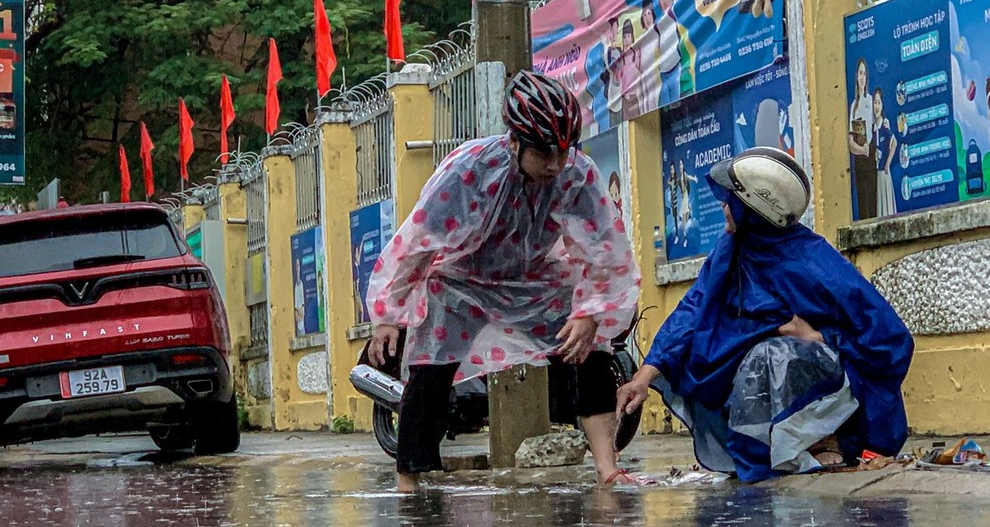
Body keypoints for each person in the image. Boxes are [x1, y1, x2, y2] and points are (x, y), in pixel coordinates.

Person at [367, 71, 642, 492]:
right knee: (431, 366)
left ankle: (608, 467)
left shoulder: (576, 175)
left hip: (534, 278)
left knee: (591, 347)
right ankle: (411, 477)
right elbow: (417, 242)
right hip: (461, 280)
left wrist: (590, 314)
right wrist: (388, 313)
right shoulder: (469, 170)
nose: (554, 164)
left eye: (562, 152)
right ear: (515, 142)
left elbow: (604, 248)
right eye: (544, 152)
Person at [616, 147, 914, 483]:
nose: (723, 205)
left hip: (830, 382)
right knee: (706, 354)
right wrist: (643, 377)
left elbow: (890, 338)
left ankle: (825, 439)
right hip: (764, 383)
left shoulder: (812, 262)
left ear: (755, 207)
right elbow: (694, 310)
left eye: (731, 199)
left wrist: (820, 339)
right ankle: (768, 454)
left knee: (769, 357)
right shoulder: (731, 252)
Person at [849, 57, 877, 219]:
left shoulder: (871, 100)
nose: (862, 77)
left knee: (872, 198)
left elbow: (877, 124)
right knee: (862, 200)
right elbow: (850, 142)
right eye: (860, 73)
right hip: (860, 157)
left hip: (871, 153)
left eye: (864, 74)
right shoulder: (854, 106)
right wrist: (861, 150)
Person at [872, 87, 897, 216]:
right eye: (874, 103)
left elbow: (894, 142)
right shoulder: (872, 128)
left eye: (879, 103)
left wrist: (888, 162)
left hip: (884, 172)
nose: (876, 106)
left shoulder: (884, 126)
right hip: (876, 173)